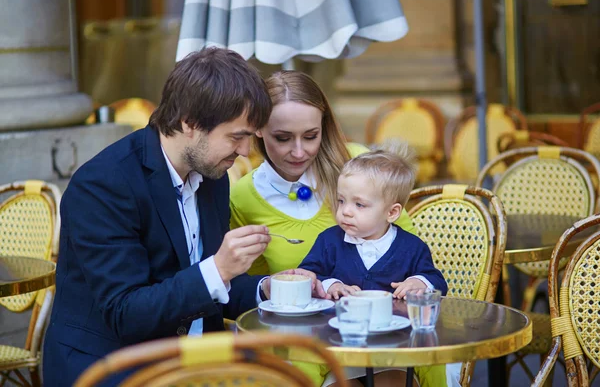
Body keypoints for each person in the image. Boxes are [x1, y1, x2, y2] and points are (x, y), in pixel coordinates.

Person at [42, 48, 323, 385]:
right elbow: (126, 313)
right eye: (237, 136)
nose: (246, 151)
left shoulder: (212, 176)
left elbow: (208, 289)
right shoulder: (104, 184)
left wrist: (271, 288)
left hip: (195, 362)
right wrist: (218, 268)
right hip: (113, 367)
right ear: (189, 123)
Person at [229, 71, 415, 385]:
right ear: (258, 128)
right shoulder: (242, 197)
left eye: (311, 136)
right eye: (283, 138)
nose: (299, 151)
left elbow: (407, 247)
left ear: (323, 127)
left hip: (380, 332)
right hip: (304, 346)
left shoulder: (358, 165)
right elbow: (248, 293)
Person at [299, 142, 448, 387]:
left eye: (359, 205)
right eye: (341, 201)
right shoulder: (329, 241)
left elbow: (436, 281)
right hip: (339, 346)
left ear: (392, 212)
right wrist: (331, 284)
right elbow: (309, 274)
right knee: (307, 362)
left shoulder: (411, 247)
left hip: (396, 349)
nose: (346, 211)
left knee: (413, 372)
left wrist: (418, 282)